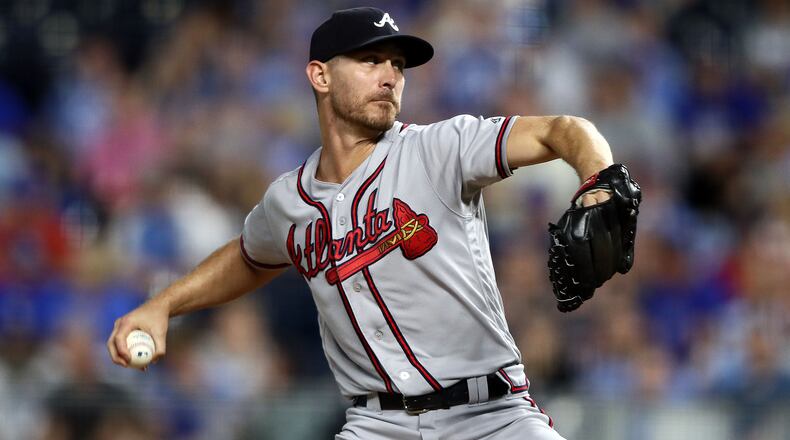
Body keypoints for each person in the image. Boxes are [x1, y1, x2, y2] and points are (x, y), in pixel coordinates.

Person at [108, 7, 616, 439]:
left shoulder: (439, 148)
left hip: (493, 416)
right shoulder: (288, 201)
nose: (390, 76)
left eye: (398, 64)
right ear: (320, 76)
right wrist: (163, 304)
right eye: (371, 60)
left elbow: (562, 130)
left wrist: (599, 180)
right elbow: (248, 257)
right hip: (377, 425)